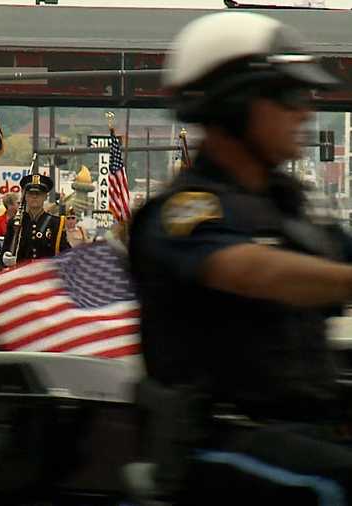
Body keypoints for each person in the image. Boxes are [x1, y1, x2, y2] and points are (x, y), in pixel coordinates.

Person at [129, 12, 352, 498]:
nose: (306, 112)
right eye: (289, 95)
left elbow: (338, 255)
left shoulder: (289, 207)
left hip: (300, 431)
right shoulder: (183, 212)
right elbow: (251, 270)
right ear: (233, 103)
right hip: (221, 447)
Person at [0, 174, 70, 267]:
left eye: (38, 193)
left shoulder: (56, 223)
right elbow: (5, 250)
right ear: (25, 196)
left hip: (45, 277)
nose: (34, 197)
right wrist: (5, 258)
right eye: (30, 193)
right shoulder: (15, 222)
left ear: (45, 196)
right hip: (21, 275)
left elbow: (66, 253)